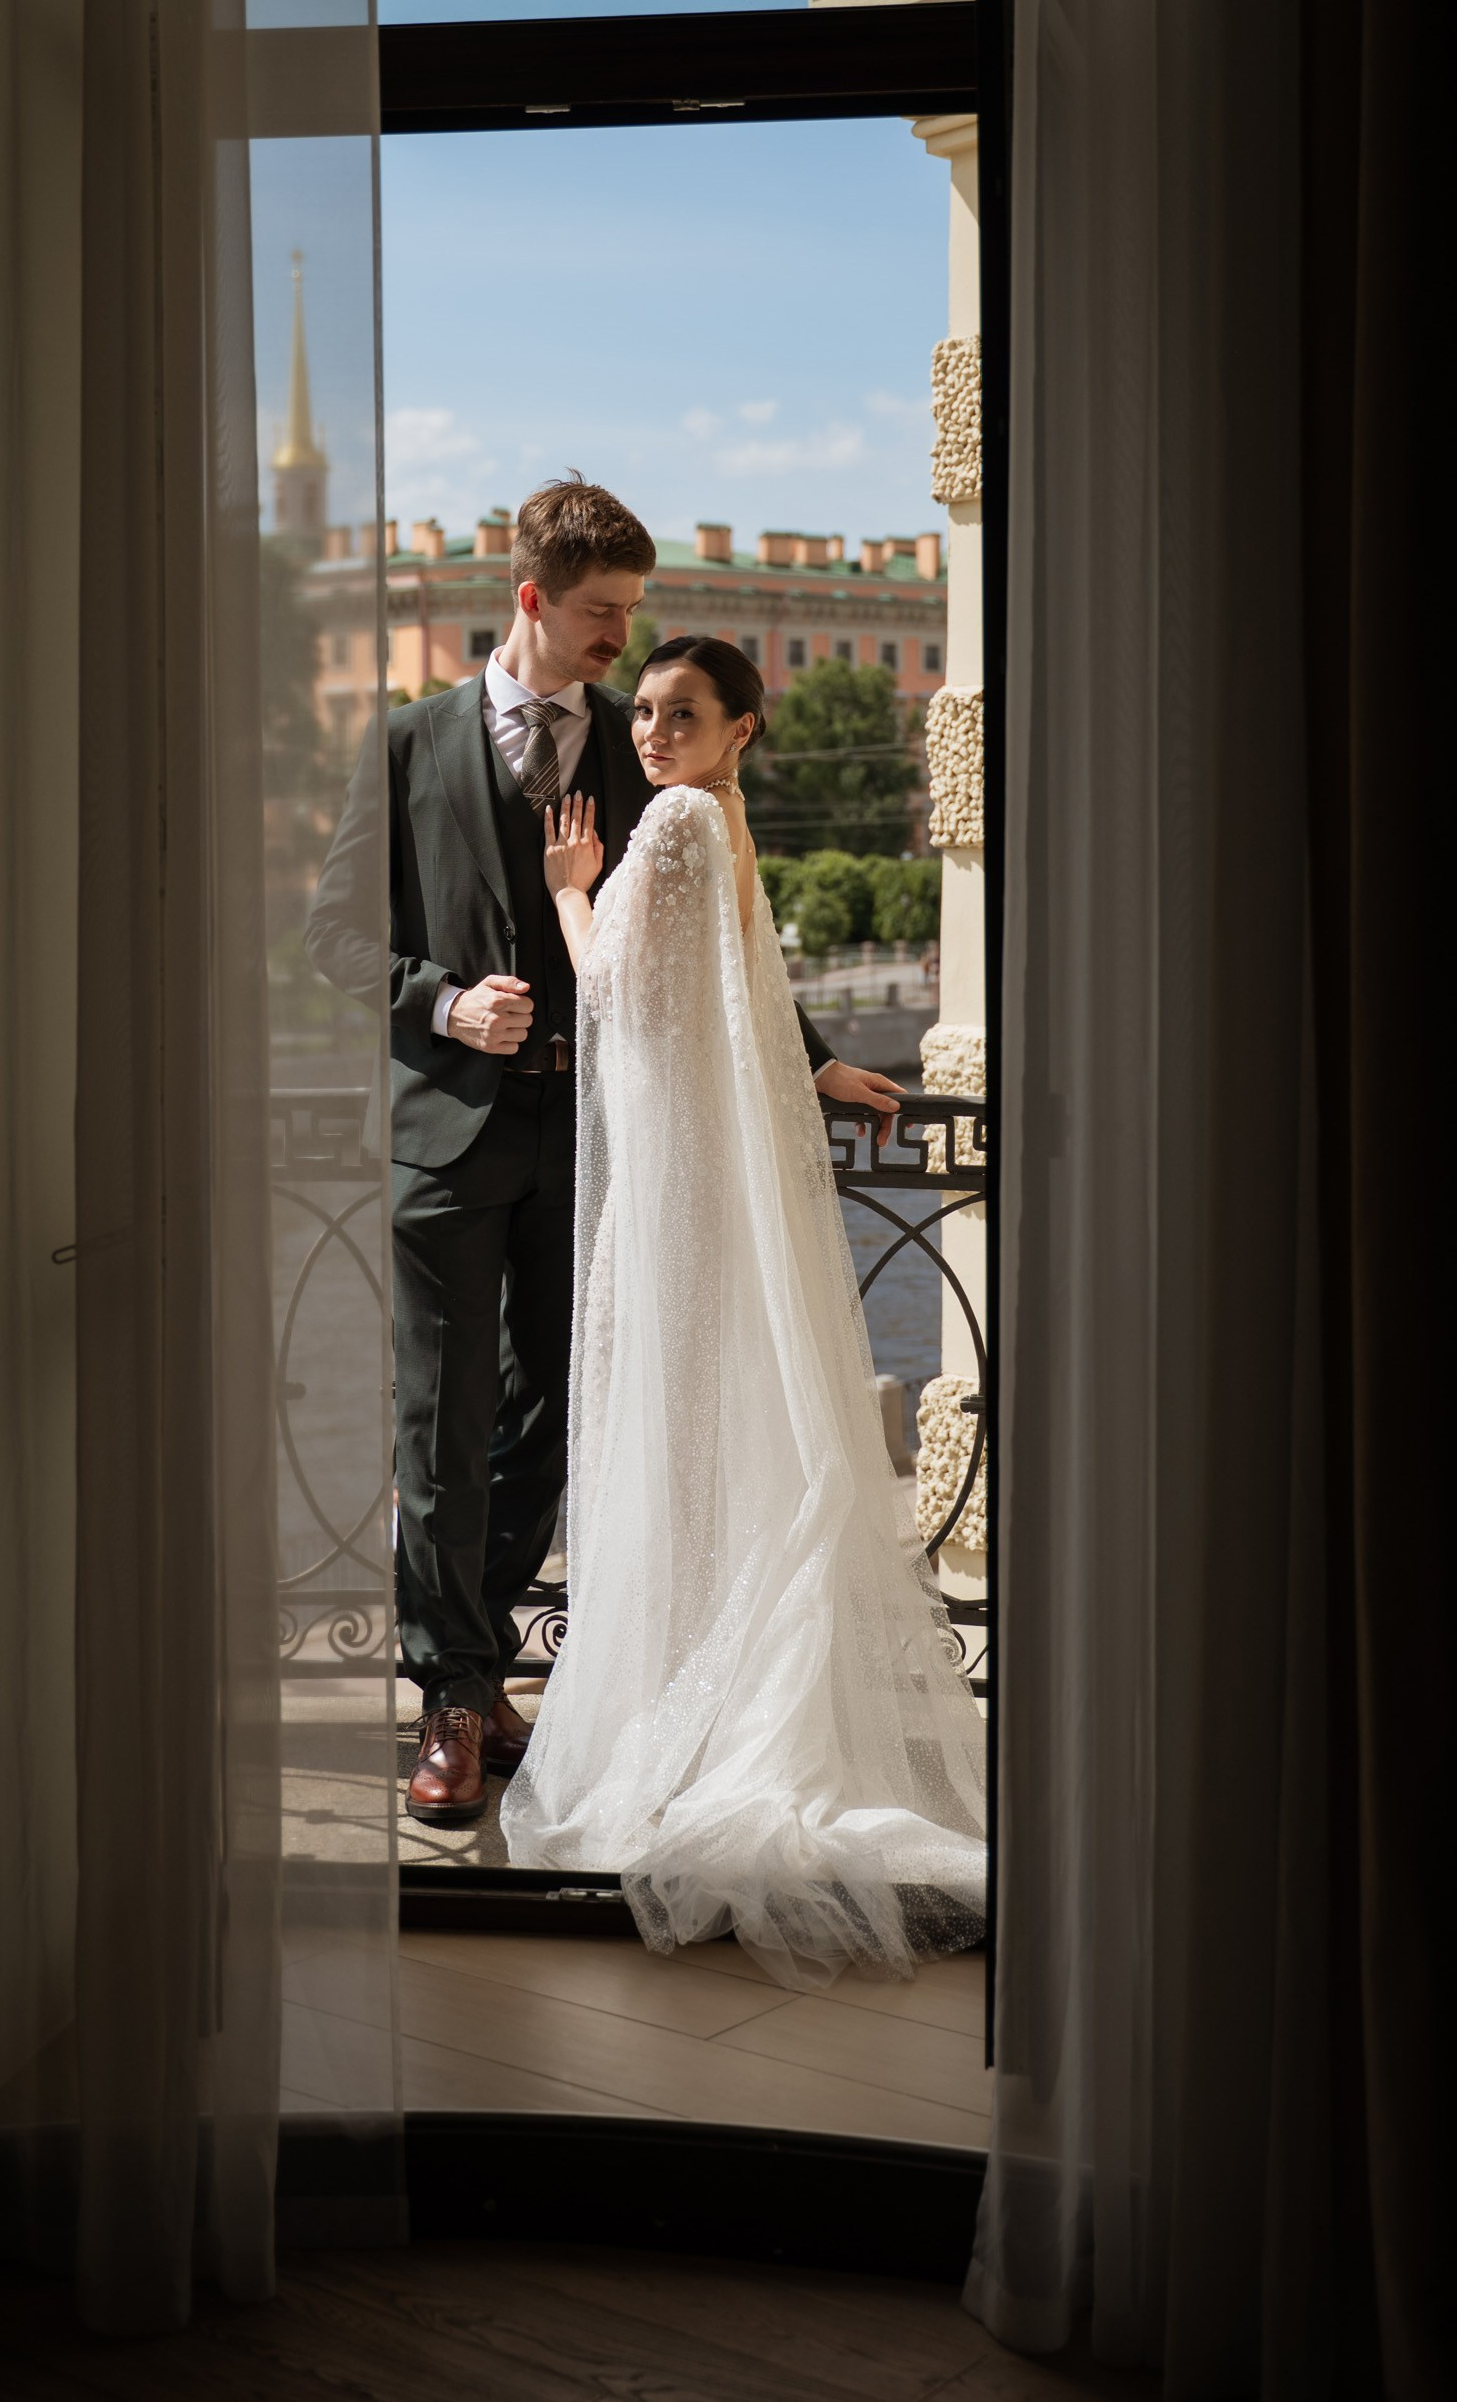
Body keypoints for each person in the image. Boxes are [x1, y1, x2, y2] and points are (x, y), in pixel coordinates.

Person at [306, 482, 901, 1826]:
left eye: (631, 620)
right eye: (601, 617)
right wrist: (444, 1001)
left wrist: (807, 1059)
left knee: (561, 1419)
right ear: (532, 599)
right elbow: (336, 936)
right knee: (441, 1422)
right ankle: (453, 1697)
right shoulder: (407, 744)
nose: (624, 650)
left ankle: (483, 1650)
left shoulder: (651, 756)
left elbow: (708, 932)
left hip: (604, 1145)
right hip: (448, 1136)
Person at [499, 636, 988, 1981]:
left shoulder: (663, 824)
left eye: (682, 713)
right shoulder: (724, 819)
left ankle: (678, 1722)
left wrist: (567, 895)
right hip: (715, 1158)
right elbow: (750, 995)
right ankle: (716, 1703)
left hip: (673, 1167)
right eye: (644, 710)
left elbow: (611, 999)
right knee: (714, 1430)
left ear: (741, 728)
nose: (651, 731)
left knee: (670, 1426)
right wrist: (824, 1075)